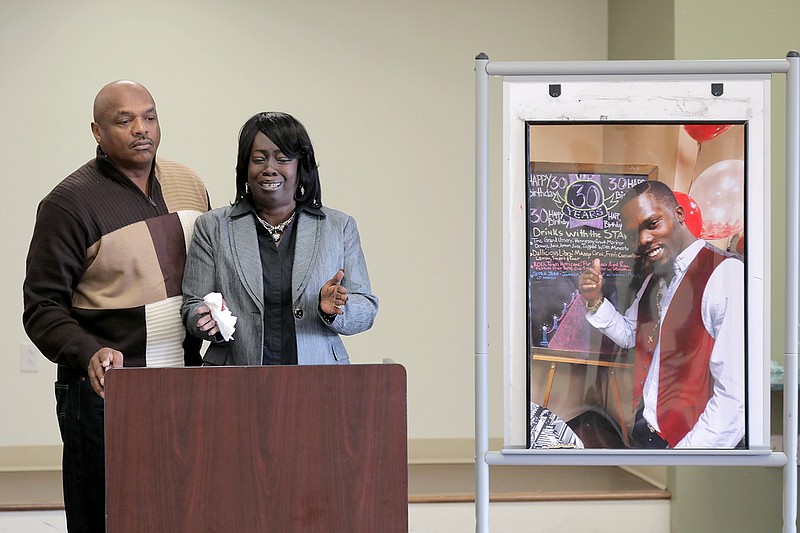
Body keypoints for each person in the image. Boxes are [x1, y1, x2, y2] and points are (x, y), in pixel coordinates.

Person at [22, 80, 209, 531]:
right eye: (124, 121)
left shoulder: (189, 183)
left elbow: (210, 275)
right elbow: (42, 307)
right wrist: (89, 353)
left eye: (149, 116)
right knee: (107, 517)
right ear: (97, 131)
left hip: (185, 383)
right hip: (107, 393)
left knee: (184, 511)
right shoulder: (68, 204)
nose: (140, 129)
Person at [181, 111, 378, 365]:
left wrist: (335, 309)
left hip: (320, 380)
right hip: (233, 378)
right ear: (245, 167)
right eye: (259, 159)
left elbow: (366, 308)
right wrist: (204, 320)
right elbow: (192, 305)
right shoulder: (212, 227)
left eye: (283, 159)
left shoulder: (339, 227)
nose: (269, 169)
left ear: (301, 167)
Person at [578, 180, 744, 449]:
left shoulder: (725, 275)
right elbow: (631, 335)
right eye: (633, 235)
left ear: (678, 215)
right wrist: (595, 300)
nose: (643, 240)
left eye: (652, 223)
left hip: (692, 443)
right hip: (648, 429)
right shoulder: (653, 280)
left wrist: (687, 458)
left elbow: (734, 398)